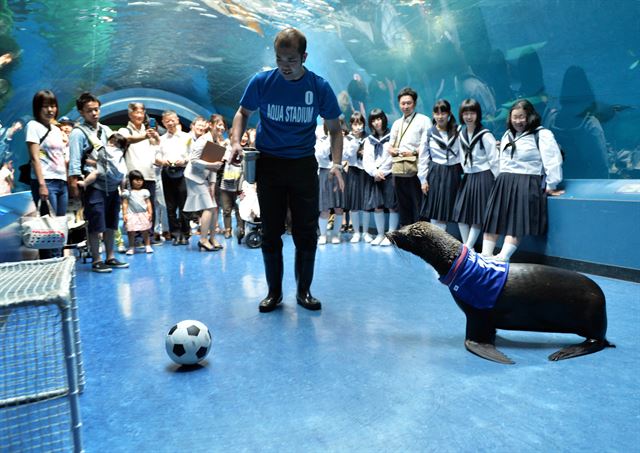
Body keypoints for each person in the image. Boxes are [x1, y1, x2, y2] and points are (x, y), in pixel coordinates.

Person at [230, 27, 344, 313]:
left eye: (292, 60)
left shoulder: (318, 87)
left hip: (303, 165)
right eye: (280, 59)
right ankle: (274, 293)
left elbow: (334, 128)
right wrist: (234, 142)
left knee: (306, 233)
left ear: (304, 57)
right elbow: (243, 113)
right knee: (270, 232)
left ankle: (304, 291)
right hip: (270, 164)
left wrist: (338, 163)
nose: (285, 66)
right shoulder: (262, 82)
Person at [481, 99, 564, 261]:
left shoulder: (542, 134)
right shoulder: (507, 134)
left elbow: (553, 160)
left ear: (530, 116)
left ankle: (502, 257)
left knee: (516, 222)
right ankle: (485, 254)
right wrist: (498, 181)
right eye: (514, 117)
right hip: (504, 181)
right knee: (493, 218)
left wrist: (552, 184)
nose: (518, 121)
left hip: (527, 182)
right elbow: (501, 160)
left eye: (522, 117)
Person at [68, 92, 129, 273]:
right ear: (81, 112)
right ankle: (96, 259)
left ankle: (110, 257)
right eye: (89, 111)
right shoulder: (78, 134)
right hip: (94, 186)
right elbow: (74, 161)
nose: (94, 114)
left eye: (96, 109)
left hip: (111, 184)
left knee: (111, 223)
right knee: (95, 223)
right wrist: (75, 184)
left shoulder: (106, 131)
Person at [25, 90, 68, 259]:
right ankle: (49, 266)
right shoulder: (33, 126)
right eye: (45, 106)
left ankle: (59, 263)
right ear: (38, 108)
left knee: (59, 227)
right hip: (46, 182)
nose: (50, 110)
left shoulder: (56, 130)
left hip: (61, 181)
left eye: (53, 106)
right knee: (48, 229)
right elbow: (35, 158)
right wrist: (42, 184)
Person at [452, 98, 499, 249]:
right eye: (465, 113)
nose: (469, 117)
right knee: (460, 214)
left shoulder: (485, 135)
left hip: (483, 175)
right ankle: (469, 248)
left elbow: (494, 159)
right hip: (468, 176)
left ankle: (467, 248)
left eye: (472, 113)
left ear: (478, 114)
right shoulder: (460, 132)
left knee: (478, 216)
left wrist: (497, 180)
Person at [388, 87, 430, 228]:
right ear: (399, 104)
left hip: (416, 169)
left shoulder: (424, 120)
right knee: (402, 204)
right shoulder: (396, 123)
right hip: (399, 169)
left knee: (419, 204)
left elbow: (428, 145)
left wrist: (413, 152)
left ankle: (421, 237)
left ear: (415, 103)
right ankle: (406, 234)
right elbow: (390, 144)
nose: (405, 106)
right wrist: (391, 149)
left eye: (408, 103)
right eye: (402, 103)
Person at [418, 99, 463, 231]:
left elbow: (465, 151)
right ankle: (437, 244)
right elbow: (423, 157)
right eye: (437, 113)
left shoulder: (458, 130)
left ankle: (464, 246)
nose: (440, 116)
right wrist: (423, 180)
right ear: (433, 114)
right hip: (436, 173)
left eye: (443, 113)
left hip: (455, 172)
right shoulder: (429, 133)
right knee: (437, 210)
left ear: (449, 114)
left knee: (459, 209)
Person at [118, 103, 161, 234]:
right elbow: (126, 139)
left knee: (150, 206)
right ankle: (135, 236)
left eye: (142, 113)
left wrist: (156, 137)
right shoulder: (124, 130)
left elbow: (156, 146)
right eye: (136, 112)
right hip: (133, 176)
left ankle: (150, 235)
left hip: (149, 174)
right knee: (133, 208)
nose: (139, 115)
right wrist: (145, 136)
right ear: (130, 114)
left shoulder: (148, 131)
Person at [182, 126, 224, 251]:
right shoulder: (203, 140)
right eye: (218, 124)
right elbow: (194, 160)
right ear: (211, 125)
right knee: (209, 207)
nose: (221, 127)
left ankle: (212, 238)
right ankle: (203, 239)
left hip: (204, 178)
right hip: (194, 177)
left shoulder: (217, 142)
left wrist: (212, 184)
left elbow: (214, 167)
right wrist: (211, 165)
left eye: (223, 125)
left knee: (214, 207)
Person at [155, 110, 191, 245]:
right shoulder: (161, 139)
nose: (170, 123)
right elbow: (156, 156)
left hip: (183, 172)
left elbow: (192, 154)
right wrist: (162, 162)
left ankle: (185, 233)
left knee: (184, 205)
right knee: (170, 206)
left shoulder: (186, 137)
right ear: (163, 123)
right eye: (167, 121)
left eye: (172, 120)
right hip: (167, 172)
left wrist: (185, 160)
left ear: (177, 120)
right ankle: (175, 234)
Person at [362, 108, 397, 245]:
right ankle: (380, 234)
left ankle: (391, 236)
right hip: (375, 176)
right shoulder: (368, 140)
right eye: (373, 120)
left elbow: (391, 156)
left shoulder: (392, 136)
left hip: (389, 174)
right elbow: (367, 159)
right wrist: (374, 172)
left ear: (383, 119)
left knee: (392, 206)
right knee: (378, 206)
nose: (377, 122)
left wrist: (382, 171)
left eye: (379, 119)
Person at [343, 112, 371, 243]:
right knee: (354, 205)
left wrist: (367, 153)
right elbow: (346, 155)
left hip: (366, 171)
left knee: (365, 204)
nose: (357, 127)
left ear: (364, 124)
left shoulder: (369, 138)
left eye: (360, 123)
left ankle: (365, 232)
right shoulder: (348, 138)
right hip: (353, 171)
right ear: (351, 125)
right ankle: (356, 232)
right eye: (354, 124)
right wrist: (355, 142)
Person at [316, 121, 344, 245]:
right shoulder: (320, 138)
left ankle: (336, 234)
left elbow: (347, 155)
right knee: (324, 207)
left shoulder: (343, 137)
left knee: (338, 206)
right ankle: (322, 235)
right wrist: (330, 138)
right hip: (324, 172)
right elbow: (320, 154)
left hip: (338, 172)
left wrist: (338, 137)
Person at [122, 170, 153, 255]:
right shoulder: (127, 193)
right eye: (136, 180)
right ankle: (131, 247)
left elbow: (148, 203)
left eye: (140, 180)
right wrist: (124, 214)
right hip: (131, 214)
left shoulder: (145, 192)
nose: (139, 182)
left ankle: (147, 245)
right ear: (130, 181)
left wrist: (150, 213)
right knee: (131, 232)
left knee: (145, 231)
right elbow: (125, 203)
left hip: (143, 214)